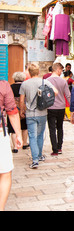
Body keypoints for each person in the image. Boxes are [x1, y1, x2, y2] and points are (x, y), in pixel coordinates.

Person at [19, 63, 58, 169]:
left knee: (32, 136)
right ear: (39, 72)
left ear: (29, 73)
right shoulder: (44, 82)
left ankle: (35, 159)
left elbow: (22, 100)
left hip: (30, 113)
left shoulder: (25, 84)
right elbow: (56, 92)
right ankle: (40, 155)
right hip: (42, 112)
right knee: (40, 135)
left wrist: (22, 111)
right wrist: (47, 100)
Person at [0, 80, 23, 211]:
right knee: (4, 172)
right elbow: (12, 111)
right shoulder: (3, 85)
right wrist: (18, 134)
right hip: (0, 134)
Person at [46, 63, 71, 156]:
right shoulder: (63, 81)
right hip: (61, 107)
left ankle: (55, 149)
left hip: (50, 107)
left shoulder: (46, 81)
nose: (61, 72)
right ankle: (60, 147)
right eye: (61, 70)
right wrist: (72, 107)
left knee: (52, 128)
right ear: (57, 70)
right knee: (60, 127)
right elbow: (68, 95)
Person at [7, 72, 28, 153]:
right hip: (24, 109)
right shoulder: (25, 87)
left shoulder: (10, 87)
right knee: (24, 127)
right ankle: (25, 143)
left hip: (13, 109)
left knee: (13, 129)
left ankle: (15, 147)